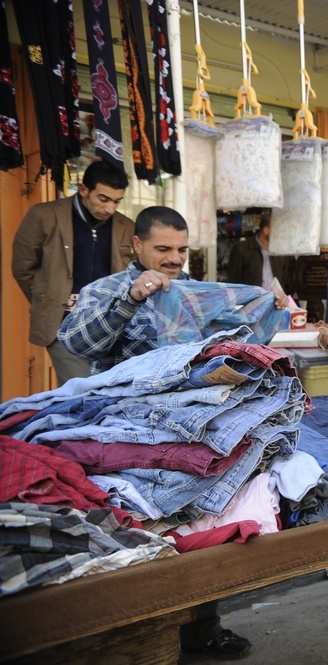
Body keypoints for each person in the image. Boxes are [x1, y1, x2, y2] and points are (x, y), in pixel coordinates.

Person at [56, 206, 257, 659]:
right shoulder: (104, 290)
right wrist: (130, 299)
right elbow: (76, 344)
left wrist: (267, 310)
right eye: (163, 249)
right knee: (140, 528)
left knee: (197, 521)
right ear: (137, 246)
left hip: (188, 427)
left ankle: (204, 626)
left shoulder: (191, 292)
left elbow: (228, 343)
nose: (174, 259)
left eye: (182, 249)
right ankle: (140, 634)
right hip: (121, 436)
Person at [11, 160, 133, 385]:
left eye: (117, 201)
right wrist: (48, 299)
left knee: (112, 389)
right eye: (103, 199)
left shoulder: (127, 226)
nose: (110, 209)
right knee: (80, 391)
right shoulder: (43, 216)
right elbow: (23, 268)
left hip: (111, 323)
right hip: (62, 323)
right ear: (84, 189)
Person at [226, 216, 291, 289]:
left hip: (274, 299)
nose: (281, 234)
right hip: (251, 299)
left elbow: (283, 278)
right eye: (278, 230)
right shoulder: (242, 249)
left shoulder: (279, 252)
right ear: (266, 230)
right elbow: (233, 281)